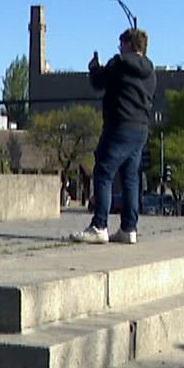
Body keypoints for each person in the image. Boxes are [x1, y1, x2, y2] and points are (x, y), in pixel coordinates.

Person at [70, 27, 156, 244]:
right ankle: (129, 228)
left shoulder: (119, 63)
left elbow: (100, 82)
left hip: (120, 126)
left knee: (103, 172)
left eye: (121, 44)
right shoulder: (151, 71)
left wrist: (94, 68)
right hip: (141, 128)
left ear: (128, 44)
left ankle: (99, 225)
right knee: (130, 178)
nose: (119, 48)